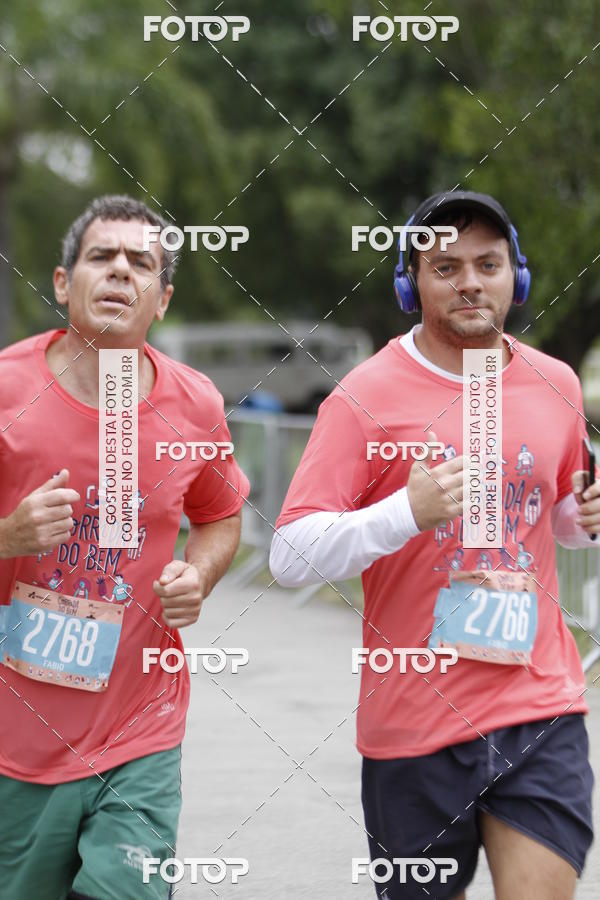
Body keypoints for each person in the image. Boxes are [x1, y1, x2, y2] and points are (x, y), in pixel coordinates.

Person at [270, 191, 597, 899]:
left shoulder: (557, 383)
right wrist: (405, 513)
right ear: (410, 283)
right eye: (446, 266)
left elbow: (559, 520)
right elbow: (289, 556)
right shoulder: (362, 397)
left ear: (519, 277)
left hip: (539, 708)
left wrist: (585, 517)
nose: (471, 281)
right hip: (414, 725)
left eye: (489, 263)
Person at [0, 194, 250, 899]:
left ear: (161, 298)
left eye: (141, 263)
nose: (120, 271)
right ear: (61, 282)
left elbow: (221, 516)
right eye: (101, 256)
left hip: (140, 732)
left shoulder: (193, 404)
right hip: (14, 743)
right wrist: (8, 537)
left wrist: (197, 576)